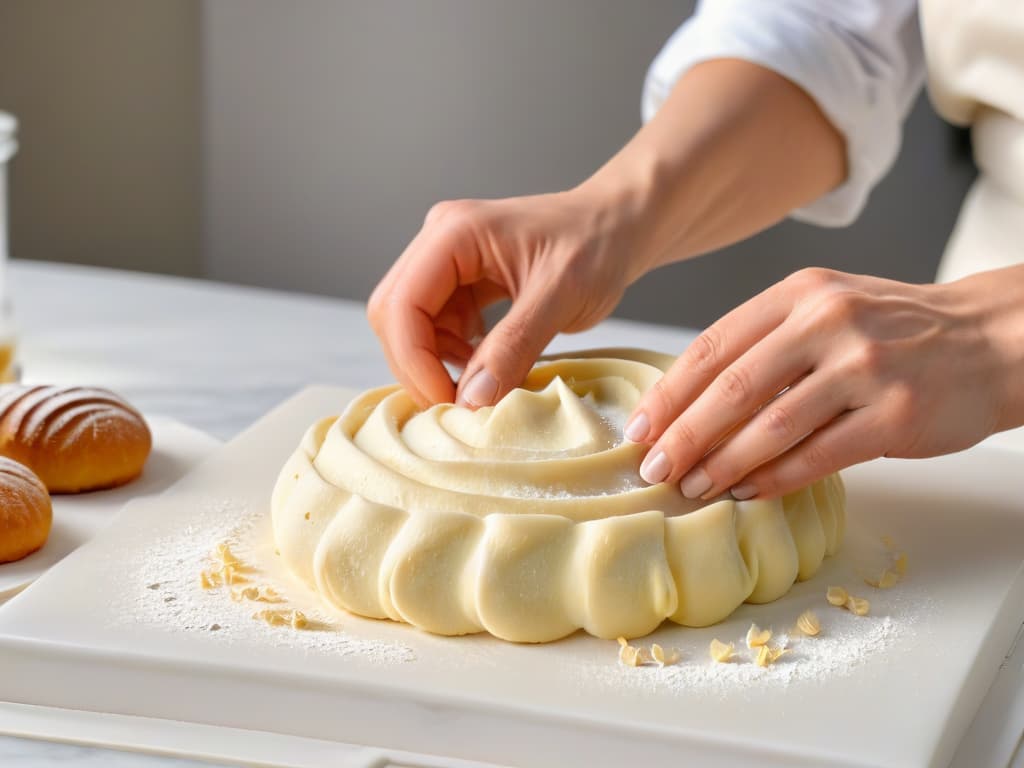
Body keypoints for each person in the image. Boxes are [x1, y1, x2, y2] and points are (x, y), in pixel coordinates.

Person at [368, 0, 1024, 502]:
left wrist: (996, 335)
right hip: (954, 418)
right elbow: (826, 30)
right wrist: (611, 215)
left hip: (965, 360)